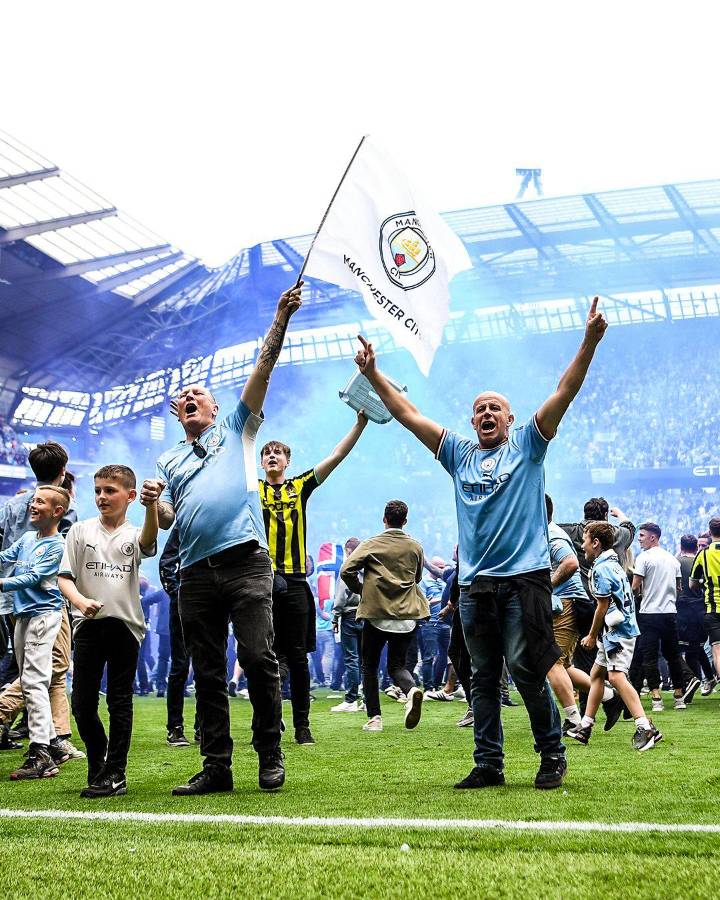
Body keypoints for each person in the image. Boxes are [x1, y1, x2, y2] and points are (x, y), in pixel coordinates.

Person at [353, 297, 609, 790]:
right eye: (479, 410)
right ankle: (488, 762)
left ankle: (552, 753)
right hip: (475, 587)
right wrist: (374, 374)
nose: (486, 413)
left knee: (527, 666)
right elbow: (407, 413)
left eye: (495, 408)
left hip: (524, 581)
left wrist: (590, 342)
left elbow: (564, 391)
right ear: (472, 423)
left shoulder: (529, 445)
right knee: (483, 675)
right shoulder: (458, 453)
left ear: (510, 420)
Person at [153, 283, 302, 796]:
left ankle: (270, 753)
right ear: (179, 413)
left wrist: (279, 316)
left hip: (245, 563)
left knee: (259, 657)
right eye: (184, 396)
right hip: (195, 573)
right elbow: (173, 516)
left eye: (200, 394)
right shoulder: (170, 460)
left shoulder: (239, 429)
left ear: (217, 409)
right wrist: (154, 503)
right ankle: (217, 766)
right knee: (207, 670)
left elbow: (262, 370)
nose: (191, 397)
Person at [257, 410, 367, 745]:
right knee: (265, 657)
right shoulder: (252, 489)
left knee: (297, 656)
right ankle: (270, 722)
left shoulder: (299, 486)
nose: (272, 456)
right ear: (261, 462)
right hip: (262, 582)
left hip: (293, 583)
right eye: (267, 452)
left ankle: (302, 724)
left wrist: (359, 424)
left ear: (288, 461)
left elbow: (336, 456)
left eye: (278, 452)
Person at [59, 465, 160, 797]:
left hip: (126, 627)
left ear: (129, 496)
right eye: (98, 490)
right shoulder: (79, 531)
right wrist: (80, 601)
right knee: (83, 704)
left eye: (110, 491)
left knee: (120, 701)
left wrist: (150, 506)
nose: (102, 496)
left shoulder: (134, 533)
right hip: (87, 625)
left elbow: (148, 541)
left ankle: (115, 773)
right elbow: (65, 577)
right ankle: (99, 757)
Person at [0, 442, 82, 760]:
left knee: (37, 667)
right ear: (63, 472)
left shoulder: (12, 505)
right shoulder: (64, 506)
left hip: (12, 601)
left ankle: (56, 736)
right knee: (53, 667)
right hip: (47, 600)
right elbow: (68, 558)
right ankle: (14, 717)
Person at [567, 521, 662, 751]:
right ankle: (586, 725)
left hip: (617, 633)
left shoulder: (601, 568)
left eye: (585, 540)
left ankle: (645, 726)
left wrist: (591, 635)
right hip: (616, 630)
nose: (582, 546)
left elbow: (602, 606)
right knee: (596, 675)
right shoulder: (613, 563)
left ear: (596, 543)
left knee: (617, 676)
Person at [340, 500, 429, 733]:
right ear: (405, 521)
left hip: (377, 614)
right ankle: (411, 691)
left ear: (384, 519)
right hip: (407, 616)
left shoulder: (372, 544)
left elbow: (346, 570)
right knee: (397, 666)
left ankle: (375, 718)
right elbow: (417, 578)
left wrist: (362, 590)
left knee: (369, 666)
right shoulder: (415, 546)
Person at [0, 485, 70, 779]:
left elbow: (36, 577)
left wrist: (3, 585)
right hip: (23, 616)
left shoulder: (57, 545)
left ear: (57, 512)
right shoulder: (28, 538)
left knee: (34, 681)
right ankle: (51, 745)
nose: (32, 505)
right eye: (33, 500)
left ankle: (41, 752)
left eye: (39, 502)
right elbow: (6, 556)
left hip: (45, 615)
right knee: (30, 681)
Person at [545, 495, 622, 733]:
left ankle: (575, 720)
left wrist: (547, 585)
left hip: (567, 603)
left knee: (552, 663)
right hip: (567, 602)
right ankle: (610, 697)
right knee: (564, 665)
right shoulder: (545, 532)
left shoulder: (552, 535)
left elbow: (570, 564)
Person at [558, 497, 635, 679]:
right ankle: (615, 696)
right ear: (606, 515)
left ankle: (593, 699)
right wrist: (621, 515)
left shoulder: (570, 531)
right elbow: (630, 528)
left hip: (582, 601)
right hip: (610, 606)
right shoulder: (615, 534)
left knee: (585, 655)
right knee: (613, 655)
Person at [632, 522, 698, 712]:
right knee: (674, 656)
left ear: (653, 537)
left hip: (649, 614)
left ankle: (656, 698)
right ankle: (679, 697)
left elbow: (635, 586)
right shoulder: (673, 560)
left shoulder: (643, 558)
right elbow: (678, 588)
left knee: (649, 657)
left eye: (642, 536)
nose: (640, 539)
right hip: (670, 613)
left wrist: (638, 596)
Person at [158, 526, 195, 747]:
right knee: (180, 666)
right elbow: (166, 562)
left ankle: (205, 726)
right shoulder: (183, 525)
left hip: (211, 602)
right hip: (182, 604)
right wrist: (177, 592)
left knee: (210, 666)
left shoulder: (220, 522)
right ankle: (175, 728)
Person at [676, 534, 715, 690]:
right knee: (696, 648)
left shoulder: (676, 562)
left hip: (683, 611)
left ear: (681, 546)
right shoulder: (703, 562)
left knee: (678, 648)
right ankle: (705, 678)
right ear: (695, 547)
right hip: (701, 610)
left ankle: (690, 681)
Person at [331, 537, 363, 712]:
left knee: (352, 659)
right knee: (366, 661)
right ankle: (366, 699)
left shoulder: (348, 568)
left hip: (350, 616)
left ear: (349, 550)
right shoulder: (368, 568)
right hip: (366, 615)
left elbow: (341, 596)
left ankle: (351, 699)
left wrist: (335, 617)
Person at [690, 516, 720, 683]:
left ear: (710, 532)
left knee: (717, 650)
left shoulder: (704, 554)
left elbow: (692, 583)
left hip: (713, 609)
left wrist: (704, 582)